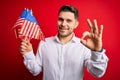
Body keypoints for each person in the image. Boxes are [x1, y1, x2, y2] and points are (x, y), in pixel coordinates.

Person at [20, 5, 109, 80]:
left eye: (69, 21)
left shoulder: (84, 46)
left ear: (76, 24)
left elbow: (97, 73)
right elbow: (36, 70)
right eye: (60, 19)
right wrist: (28, 54)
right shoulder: (45, 43)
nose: (63, 24)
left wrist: (97, 51)